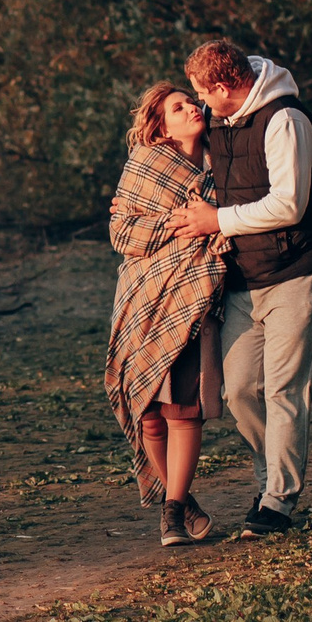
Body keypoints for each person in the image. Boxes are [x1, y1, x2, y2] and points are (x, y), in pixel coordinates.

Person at [166, 40, 312, 537]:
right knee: (240, 388)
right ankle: (269, 480)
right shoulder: (220, 118)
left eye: (202, 92)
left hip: (298, 270)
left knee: (285, 390)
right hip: (246, 275)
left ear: (225, 86)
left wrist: (217, 220)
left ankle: (277, 503)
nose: (198, 102)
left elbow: (288, 204)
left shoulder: (286, 121)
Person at [109, 83, 225, 546]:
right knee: (149, 413)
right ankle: (183, 502)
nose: (192, 108)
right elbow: (121, 231)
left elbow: (237, 213)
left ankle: (172, 511)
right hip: (142, 296)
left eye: (192, 102)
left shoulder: (226, 160)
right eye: (178, 107)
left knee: (183, 409)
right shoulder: (144, 164)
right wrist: (177, 224)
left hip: (196, 293)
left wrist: (213, 217)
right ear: (161, 124)